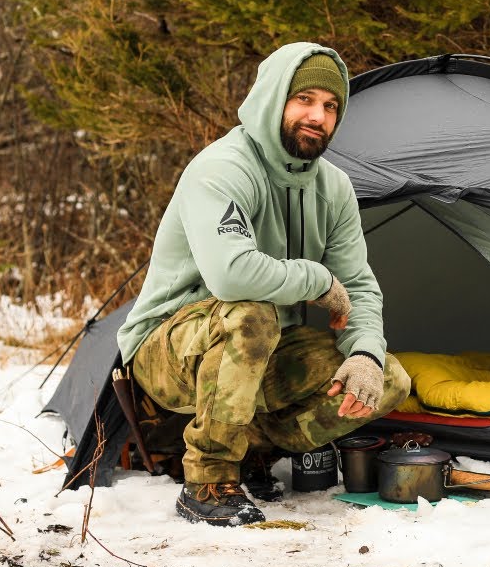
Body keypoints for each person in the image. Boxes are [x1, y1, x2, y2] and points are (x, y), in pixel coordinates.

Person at [115, 42, 411, 526]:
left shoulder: (334, 187)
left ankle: (253, 449)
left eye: (330, 106)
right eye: (304, 99)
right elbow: (231, 275)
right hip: (169, 347)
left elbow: (358, 284)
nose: (317, 116)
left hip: (263, 349)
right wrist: (317, 279)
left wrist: (364, 353)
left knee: (389, 378)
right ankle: (207, 479)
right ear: (274, 99)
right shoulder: (223, 168)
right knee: (252, 312)